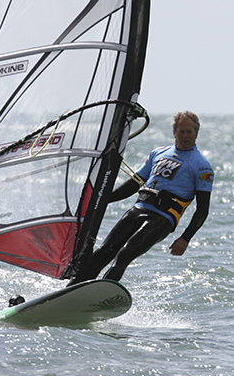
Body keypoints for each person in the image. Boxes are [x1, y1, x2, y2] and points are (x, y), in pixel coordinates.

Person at [69, 111, 214, 284]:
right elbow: (134, 184)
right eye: (181, 131)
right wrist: (104, 199)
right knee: (104, 251)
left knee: (125, 254)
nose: (185, 136)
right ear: (174, 132)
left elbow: (202, 209)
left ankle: (98, 294)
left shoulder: (201, 166)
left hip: (163, 218)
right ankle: (73, 289)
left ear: (196, 133)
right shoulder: (158, 153)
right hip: (139, 209)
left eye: (189, 132)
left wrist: (185, 238)